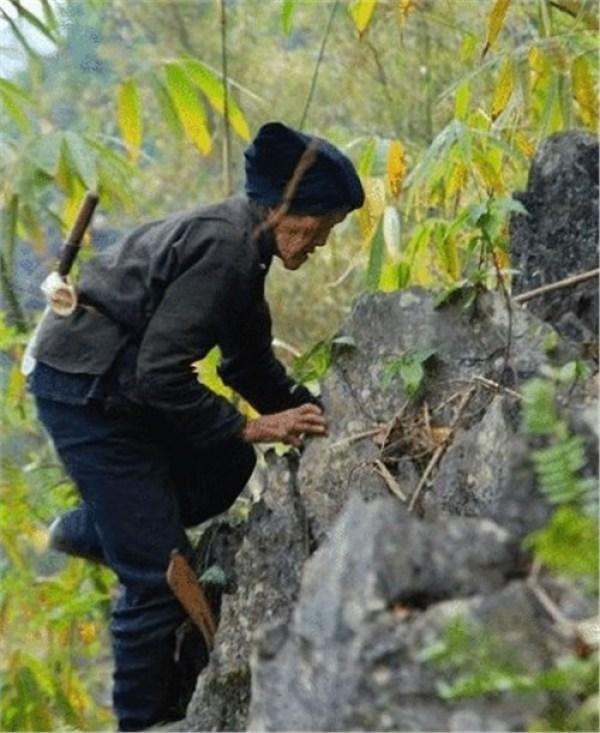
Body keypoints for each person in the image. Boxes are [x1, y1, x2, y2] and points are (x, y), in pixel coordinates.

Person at [26, 121, 365, 730]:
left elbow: (248, 364)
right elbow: (161, 376)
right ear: (290, 211)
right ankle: (142, 722)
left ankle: (100, 527)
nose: (321, 244)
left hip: (115, 383)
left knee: (226, 466)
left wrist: (316, 411)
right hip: (86, 390)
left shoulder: (245, 250)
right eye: (323, 226)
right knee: (158, 579)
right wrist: (250, 427)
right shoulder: (227, 249)